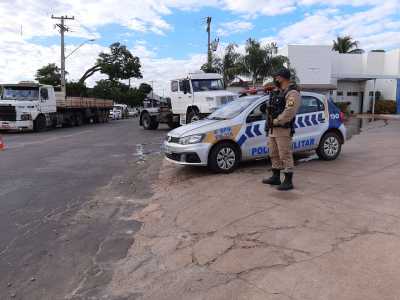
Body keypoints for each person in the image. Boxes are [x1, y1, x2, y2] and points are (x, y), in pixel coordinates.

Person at [262, 68, 301, 191]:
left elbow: (289, 111)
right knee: (273, 154)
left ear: (283, 77)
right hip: (272, 129)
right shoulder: (278, 91)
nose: (275, 80)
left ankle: (288, 181)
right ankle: (276, 176)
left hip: (283, 129)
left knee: (285, 154)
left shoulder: (292, 93)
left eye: (277, 77)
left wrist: (277, 120)